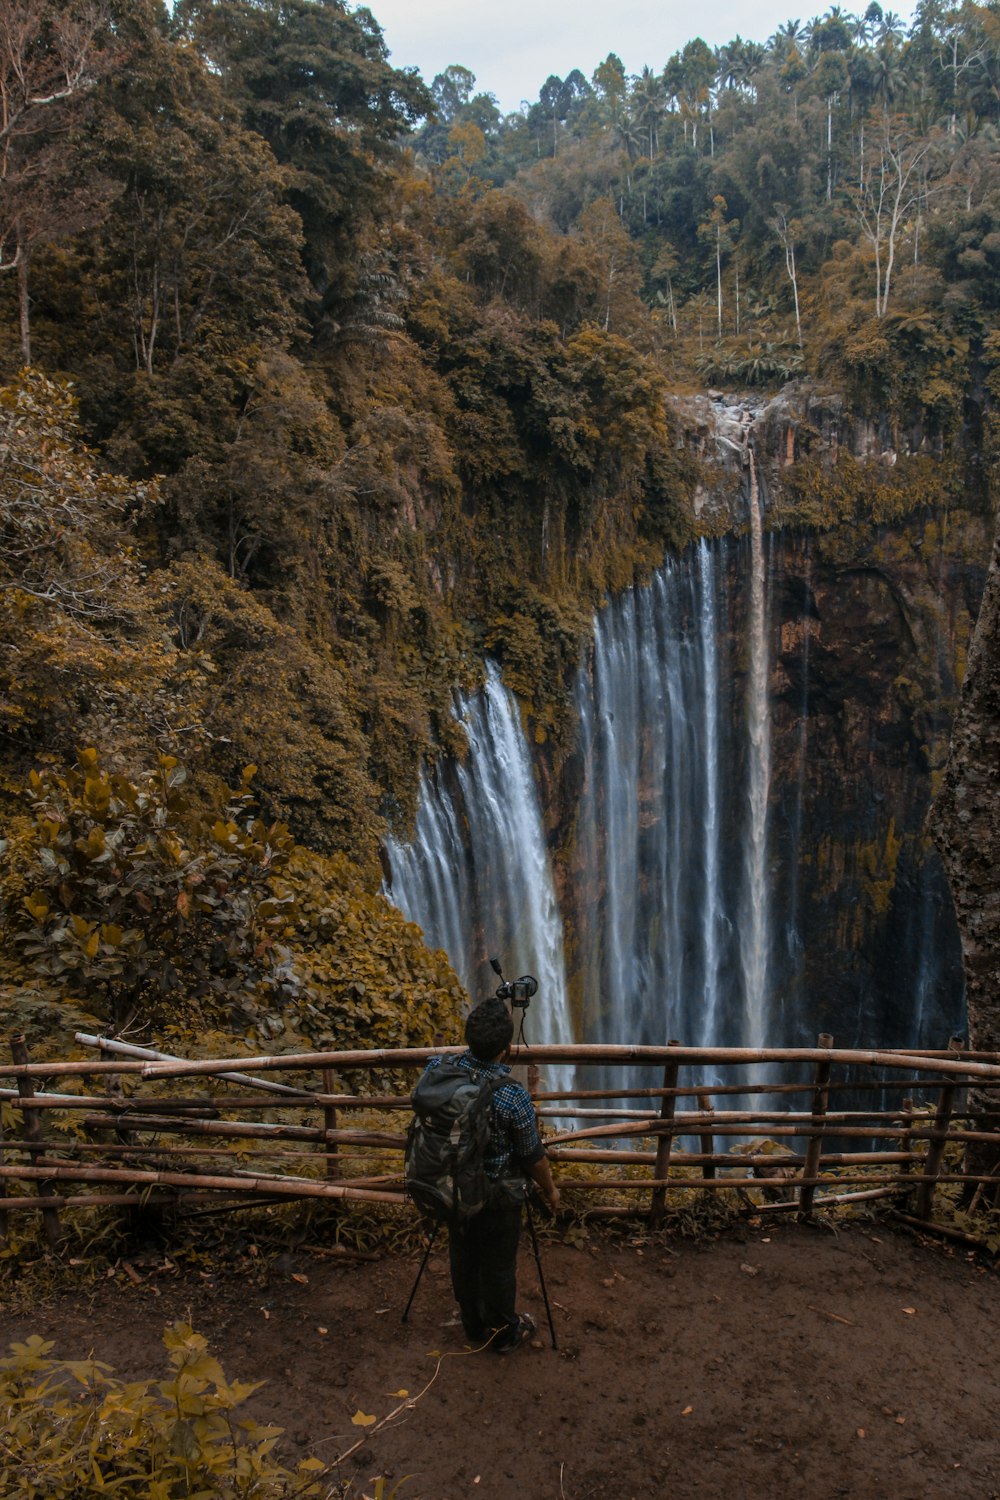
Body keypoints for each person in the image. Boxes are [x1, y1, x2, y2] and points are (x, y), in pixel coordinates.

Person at [422, 995, 560, 1353]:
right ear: (506, 1050)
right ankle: (503, 1334)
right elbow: (532, 1155)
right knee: (499, 1267)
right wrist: (550, 1190)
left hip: (452, 1187)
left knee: (462, 1256)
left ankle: (472, 1323)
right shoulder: (512, 1097)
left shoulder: (436, 1070)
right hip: (499, 1198)